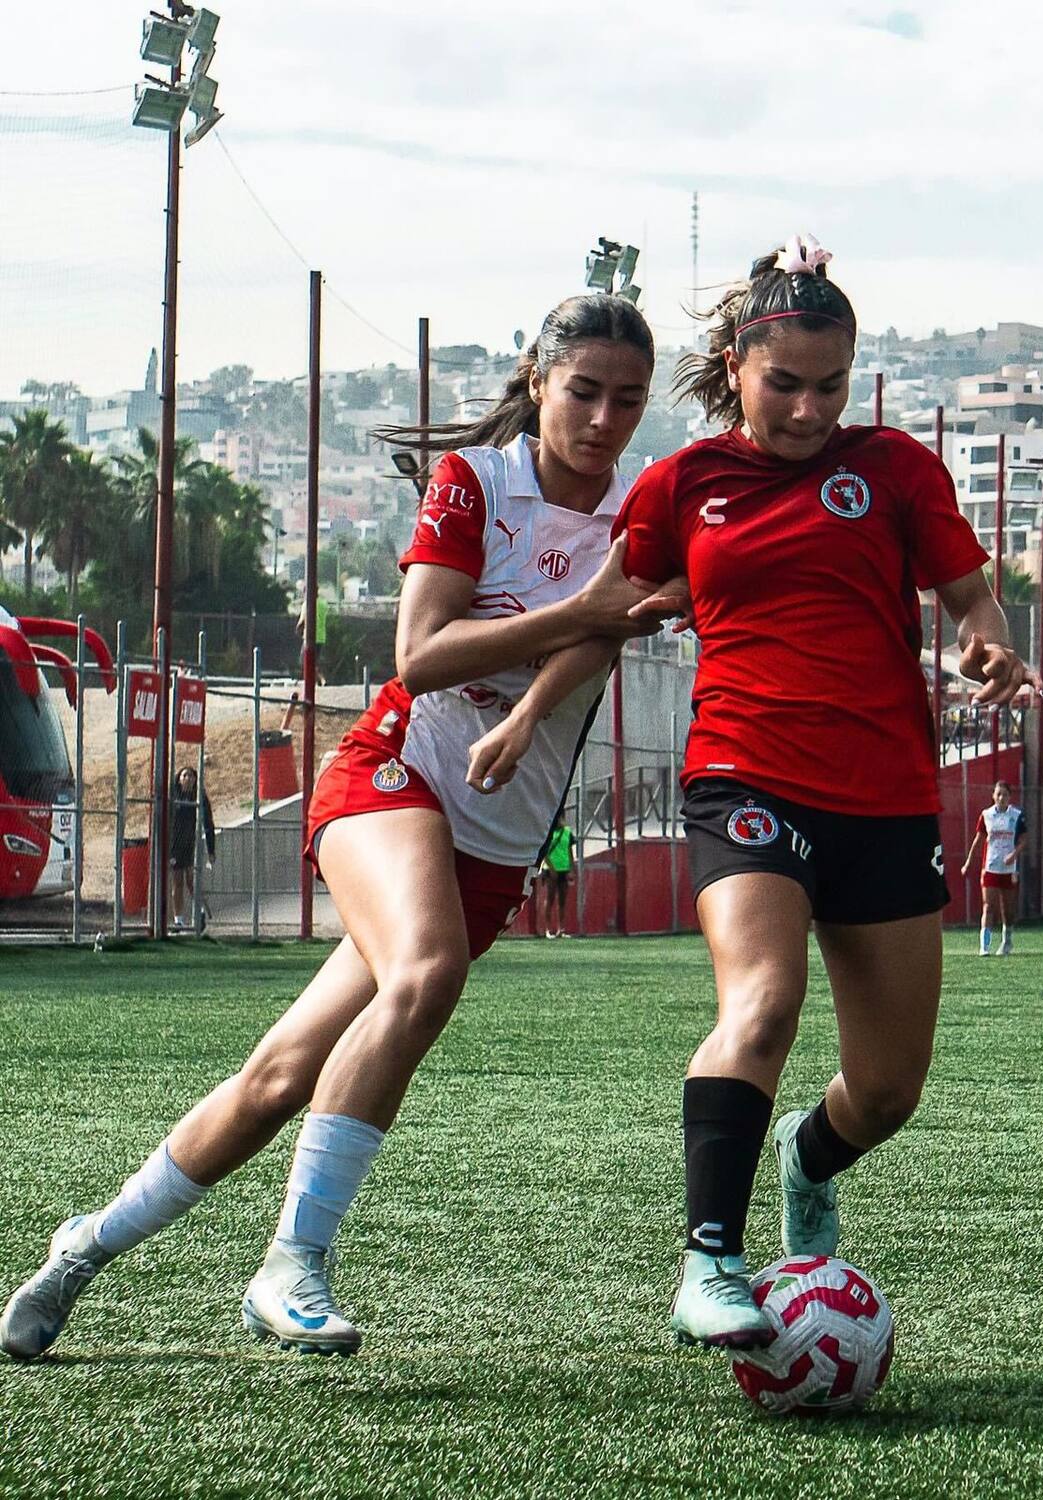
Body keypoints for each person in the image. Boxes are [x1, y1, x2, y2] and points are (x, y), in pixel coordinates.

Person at [0, 291, 687, 1362]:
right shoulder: (476, 482)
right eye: (584, 391)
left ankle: (84, 1244)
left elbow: (598, 644)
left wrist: (527, 712)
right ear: (538, 380)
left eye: (628, 400)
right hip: (392, 768)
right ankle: (292, 1264)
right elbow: (421, 652)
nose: (603, 418)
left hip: (496, 834)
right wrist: (573, 622)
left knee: (280, 1075)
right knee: (425, 974)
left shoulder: (641, 515)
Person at [472, 232, 1037, 1351]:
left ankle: (806, 1158)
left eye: (832, 386)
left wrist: (988, 646)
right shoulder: (682, 486)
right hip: (743, 775)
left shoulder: (896, 472)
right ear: (735, 363)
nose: (809, 409)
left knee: (886, 1092)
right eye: (784, 384)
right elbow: (609, 615)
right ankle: (711, 1263)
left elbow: (973, 600)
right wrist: (534, 712)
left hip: (882, 797)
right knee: (763, 1003)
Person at [961, 779, 1027, 956]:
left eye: (1005, 794)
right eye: (998, 794)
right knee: (988, 907)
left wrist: (1014, 854)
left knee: (1008, 910)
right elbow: (978, 840)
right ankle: (985, 946)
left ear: (1009, 797)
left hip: (1009, 869)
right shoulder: (987, 815)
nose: (1001, 797)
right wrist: (968, 862)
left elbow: (1023, 840)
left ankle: (1007, 941)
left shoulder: (1016, 815)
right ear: (993, 796)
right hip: (990, 867)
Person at [168, 766, 215, 930]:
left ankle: (200, 913)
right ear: (179, 779)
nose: (188, 779)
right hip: (174, 845)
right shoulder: (173, 795)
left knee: (191, 881)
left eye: (191, 776)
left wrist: (211, 849)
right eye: (184, 775)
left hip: (189, 843)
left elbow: (208, 821)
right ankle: (178, 920)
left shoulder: (198, 796)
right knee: (177, 882)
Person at [540, 812, 575, 937]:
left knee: (562, 900)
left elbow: (570, 851)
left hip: (564, 869)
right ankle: (548, 930)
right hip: (550, 870)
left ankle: (562, 929)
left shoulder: (567, 832)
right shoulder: (548, 832)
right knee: (550, 898)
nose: (561, 820)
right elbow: (544, 853)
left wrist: (572, 869)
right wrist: (551, 868)